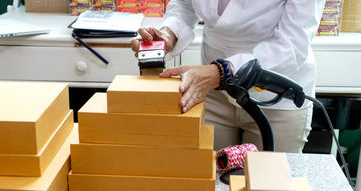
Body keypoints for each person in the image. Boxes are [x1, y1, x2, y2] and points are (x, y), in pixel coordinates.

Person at [131, 0, 326, 152]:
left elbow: (292, 44)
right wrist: (169, 33)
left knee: (266, 188)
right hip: (215, 94)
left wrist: (221, 71)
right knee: (208, 179)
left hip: (273, 97)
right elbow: (184, 5)